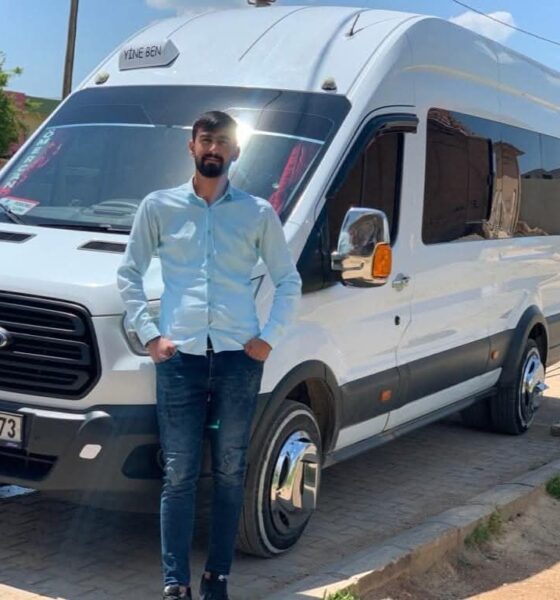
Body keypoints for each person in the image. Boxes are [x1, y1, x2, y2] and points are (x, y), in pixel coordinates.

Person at [117, 110, 302, 600]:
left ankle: (217, 577)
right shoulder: (159, 207)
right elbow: (128, 273)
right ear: (192, 146)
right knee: (178, 473)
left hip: (239, 360)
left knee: (230, 471)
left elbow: (288, 280)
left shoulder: (258, 213)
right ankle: (175, 583)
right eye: (206, 140)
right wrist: (150, 335)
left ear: (235, 150)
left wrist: (269, 337)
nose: (213, 148)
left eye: (222, 141)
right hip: (180, 361)